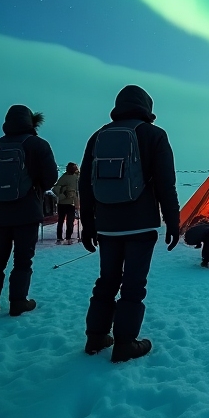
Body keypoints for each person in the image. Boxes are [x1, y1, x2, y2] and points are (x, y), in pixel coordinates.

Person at [78, 85, 180, 363]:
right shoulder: (154, 135)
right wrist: (173, 220)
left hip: (107, 225)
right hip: (141, 224)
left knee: (107, 280)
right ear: (147, 107)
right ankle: (125, 343)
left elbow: (85, 185)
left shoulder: (98, 136)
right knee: (133, 284)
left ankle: (96, 337)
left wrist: (87, 224)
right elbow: (165, 184)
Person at [0, 104, 58, 317]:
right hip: (27, 212)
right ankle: (18, 301)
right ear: (32, 123)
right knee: (23, 260)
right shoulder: (38, 145)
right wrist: (32, 189)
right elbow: (50, 179)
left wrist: (0, 196)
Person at [53, 162, 80, 242]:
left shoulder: (63, 177)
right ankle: (68, 237)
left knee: (61, 221)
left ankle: (60, 237)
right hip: (70, 202)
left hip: (62, 202)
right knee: (69, 221)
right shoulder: (76, 177)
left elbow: (56, 188)